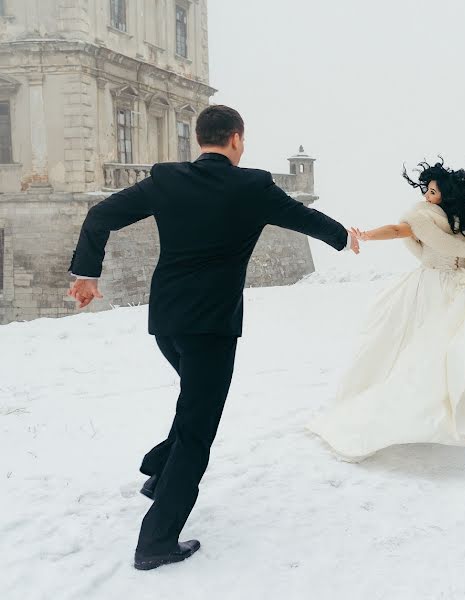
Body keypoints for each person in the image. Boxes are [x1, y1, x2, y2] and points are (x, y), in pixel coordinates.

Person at [67, 105, 360, 570]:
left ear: (198, 139)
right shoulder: (252, 187)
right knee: (198, 430)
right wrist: (343, 236)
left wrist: (87, 272)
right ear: (237, 140)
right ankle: (156, 542)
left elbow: (101, 214)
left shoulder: (165, 180)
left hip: (166, 322)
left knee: (193, 406)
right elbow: (302, 217)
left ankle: (159, 475)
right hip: (212, 328)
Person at [307, 159, 465, 461]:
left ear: (447, 194)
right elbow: (399, 229)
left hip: (459, 289)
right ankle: (406, 413)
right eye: (426, 190)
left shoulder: (462, 218)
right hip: (429, 288)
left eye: (433, 191)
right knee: (419, 351)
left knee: (456, 347)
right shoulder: (422, 217)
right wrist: (370, 235)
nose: (427, 195)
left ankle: (445, 410)